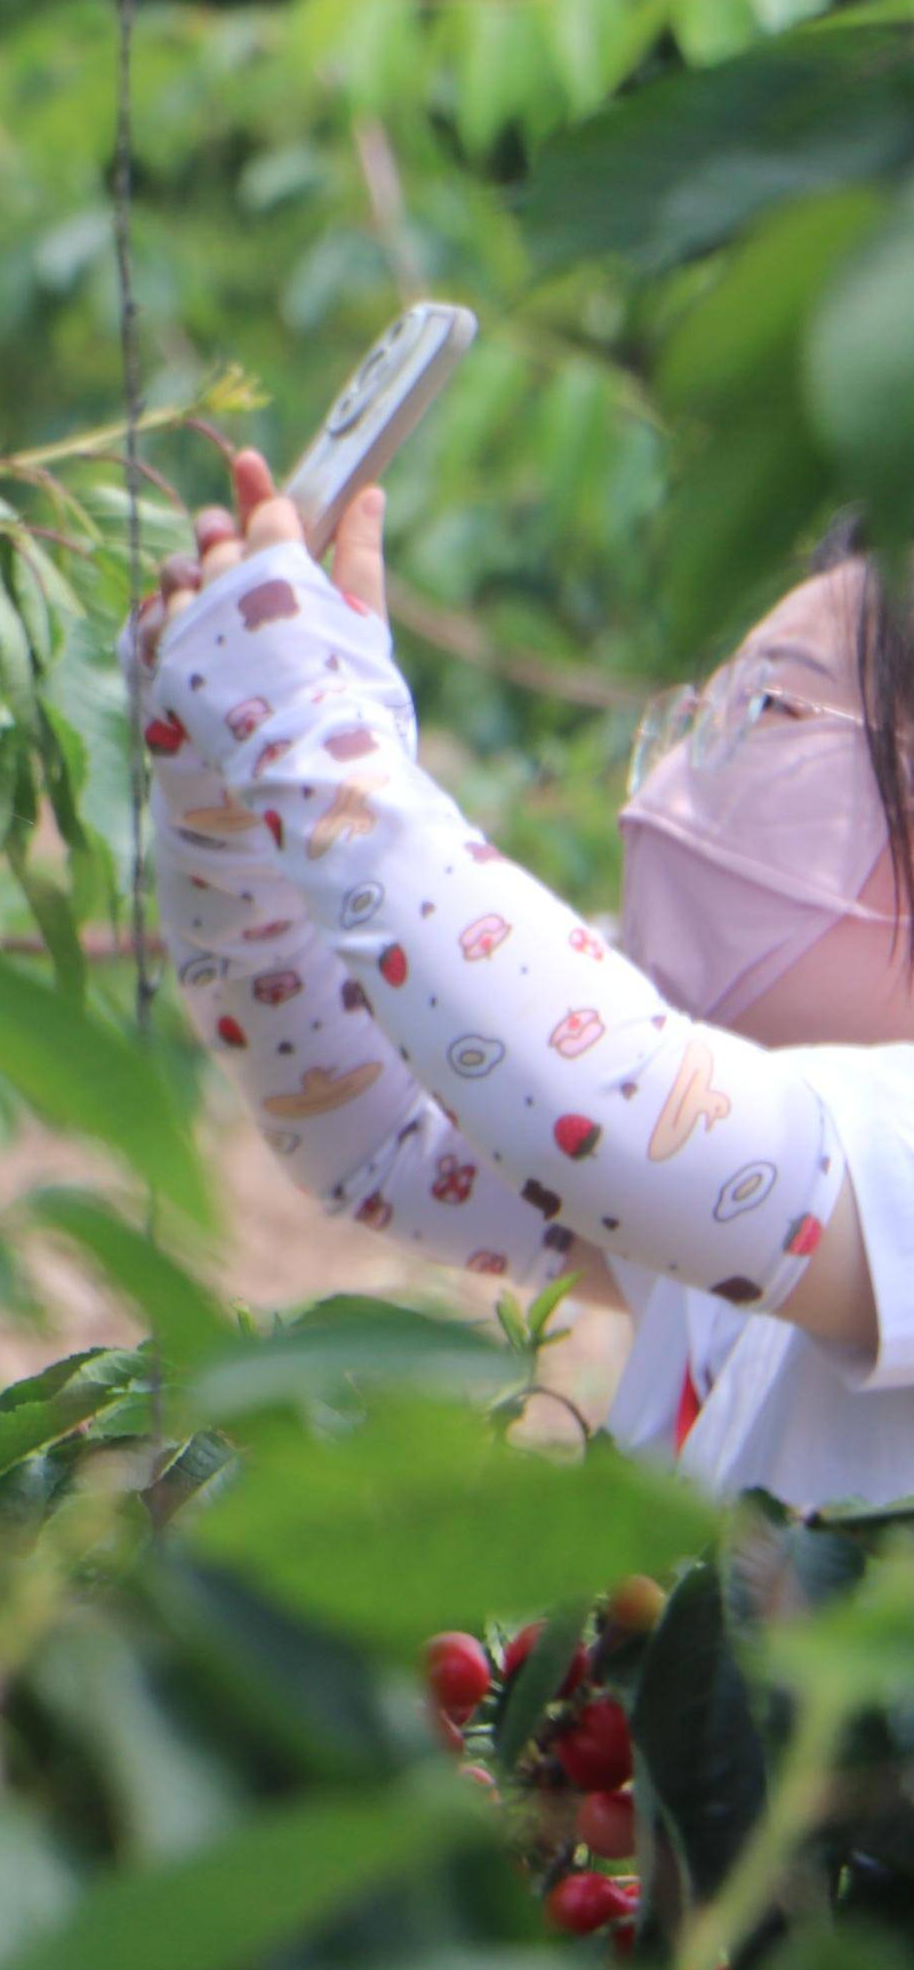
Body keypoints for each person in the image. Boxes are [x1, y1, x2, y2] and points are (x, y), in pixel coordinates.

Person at [133, 444, 914, 1502]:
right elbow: (378, 1133)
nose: (679, 779)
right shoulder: (741, 1211)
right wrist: (222, 795)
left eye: (767, 710)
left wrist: (311, 733)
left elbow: (604, 1116)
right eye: (709, 707)